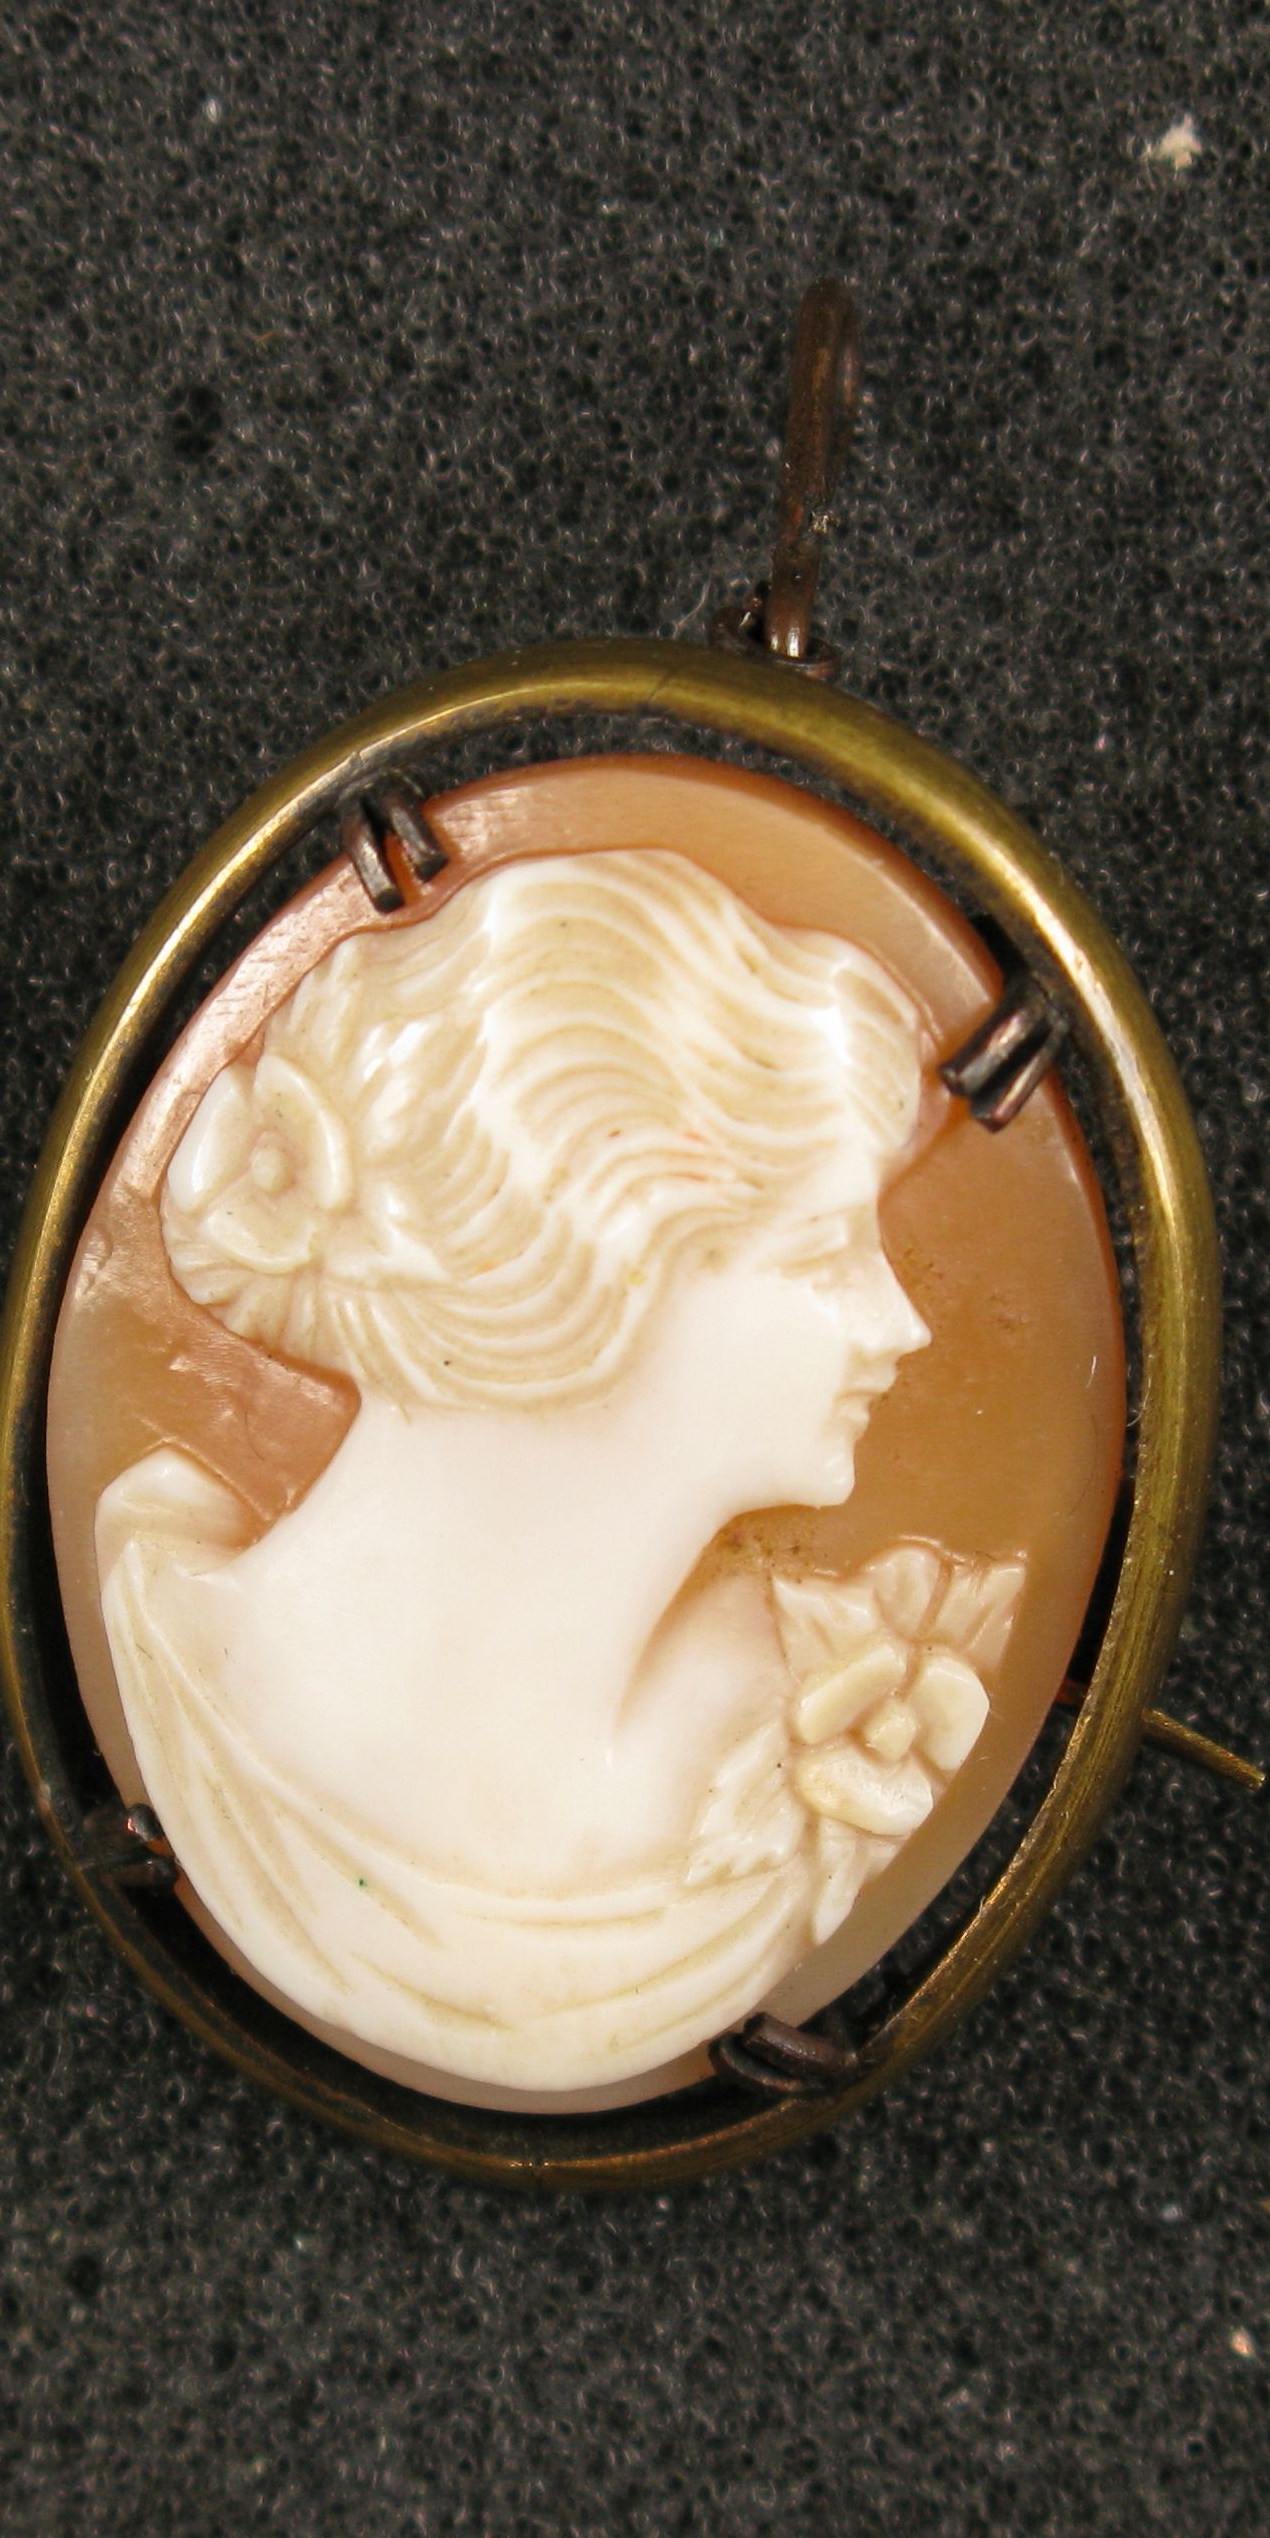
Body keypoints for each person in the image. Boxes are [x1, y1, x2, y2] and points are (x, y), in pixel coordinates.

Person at [98, 845, 1023, 2095]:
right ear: (586, 1276)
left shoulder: (812, 1732)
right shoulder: (167, 1646)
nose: (899, 1324)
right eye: (821, 1254)